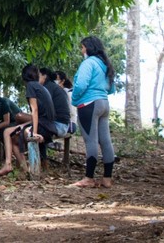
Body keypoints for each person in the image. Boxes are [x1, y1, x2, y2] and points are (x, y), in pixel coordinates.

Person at [71, 36, 116, 188]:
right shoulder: (105, 64)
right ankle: (107, 178)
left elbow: (81, 84)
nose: (81, 51)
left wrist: (75, 99)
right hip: (104, 103)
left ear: (88, 48)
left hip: (89, 104)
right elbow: (111, 88)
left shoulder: (88, 63)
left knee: (90, 141)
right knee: (105, 141)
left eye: (82, 47)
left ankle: (89, 178)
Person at [0, 64, 56, 176]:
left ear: (24, 76)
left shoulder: (31, 86)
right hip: (49, 125)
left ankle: (9, 165)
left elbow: (35, 110)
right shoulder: (41, 87)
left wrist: (34, 132)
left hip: (43, 127)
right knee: (10, 135)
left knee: (7, 132)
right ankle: (22, 169)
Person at [39, 67, 72, 138]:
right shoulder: (55, 87)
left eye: (38, 75)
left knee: (21, 117)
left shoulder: (47, 87)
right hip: (65, 126)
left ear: (44, 76)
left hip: (58, 126)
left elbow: (42, 110)